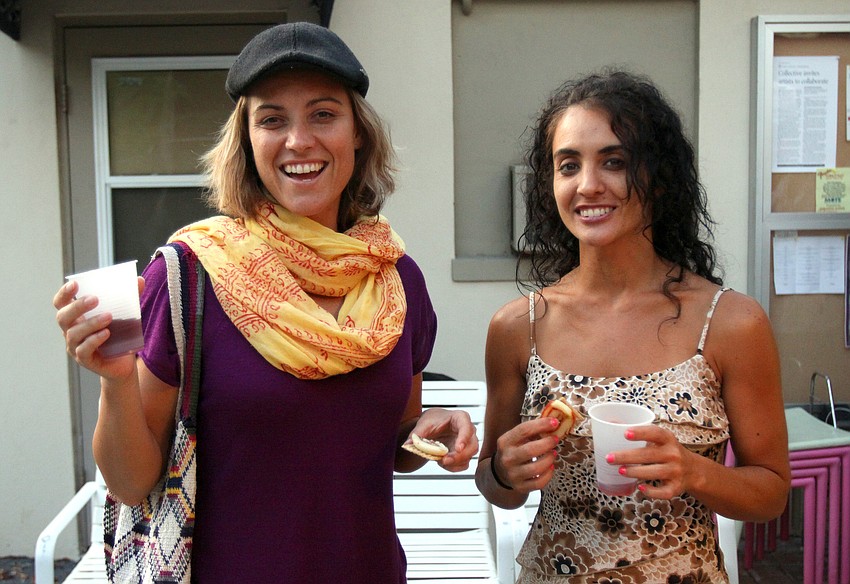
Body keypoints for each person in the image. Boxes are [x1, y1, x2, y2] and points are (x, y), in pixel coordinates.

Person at [54, 22, 478, 583]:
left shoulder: (396, 281)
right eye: (271, 119)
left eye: (323, 114)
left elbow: (395, 442)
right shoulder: (191, 275)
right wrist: (113, 379)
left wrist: (432, 427)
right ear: (248, 143)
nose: (298, 140)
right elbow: (131, 483)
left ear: (358, 135)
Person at [475, 69, 790, 583]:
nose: (588, 185)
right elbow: (497, 489)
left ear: (659, 177)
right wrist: (504, 472)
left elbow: (771, 493)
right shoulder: (518, 327)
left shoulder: (731, 323)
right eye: (568, 165)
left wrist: (694, 471)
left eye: (614, 162)